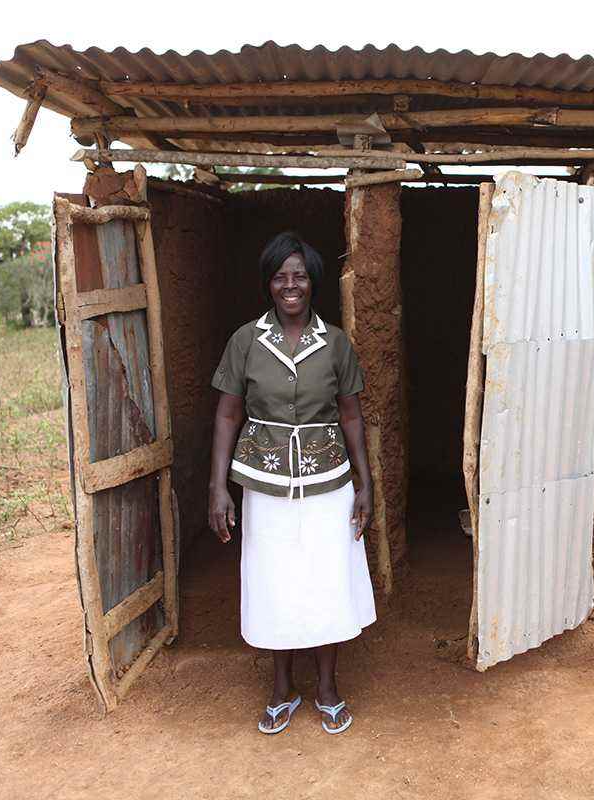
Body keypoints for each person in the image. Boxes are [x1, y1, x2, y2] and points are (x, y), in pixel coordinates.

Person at [208, 231, 375, 735]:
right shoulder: (246, 341)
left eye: (299, 275)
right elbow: (227, 414)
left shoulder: (336, 342)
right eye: (280, 276)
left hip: (330, 482)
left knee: (325, 578)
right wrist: (218, 487)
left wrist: (364, 484)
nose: (290, 284)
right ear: (268, 283)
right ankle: (282, 687)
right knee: (275, 580)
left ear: (312, 282)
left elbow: (351, 416)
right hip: (264, 482)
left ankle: (326, 686)